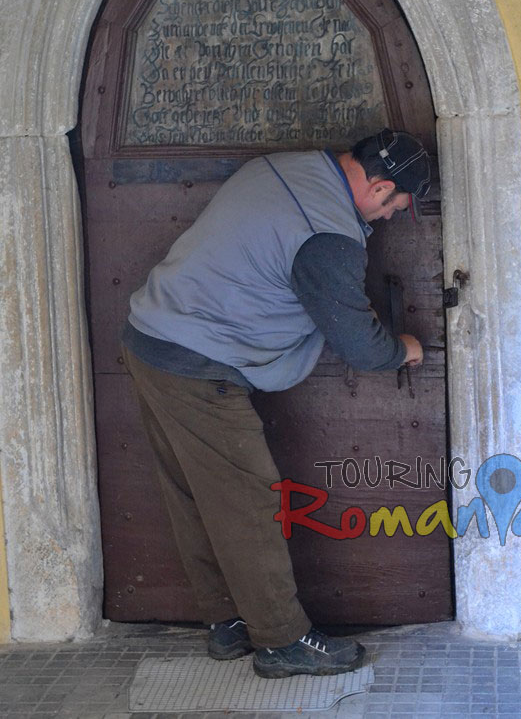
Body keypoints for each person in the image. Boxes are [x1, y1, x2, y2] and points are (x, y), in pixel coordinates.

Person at [121, 127, 430, 678]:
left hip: (152, 340)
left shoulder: (285, 166)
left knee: (195, 495)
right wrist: (401, 348)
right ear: (381, 188)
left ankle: (228, 621)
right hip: (198, 364)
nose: (387, 220)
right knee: (247, 504)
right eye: (395, 208)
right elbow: (356, 341)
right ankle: (282, 641)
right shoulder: (328, 235)